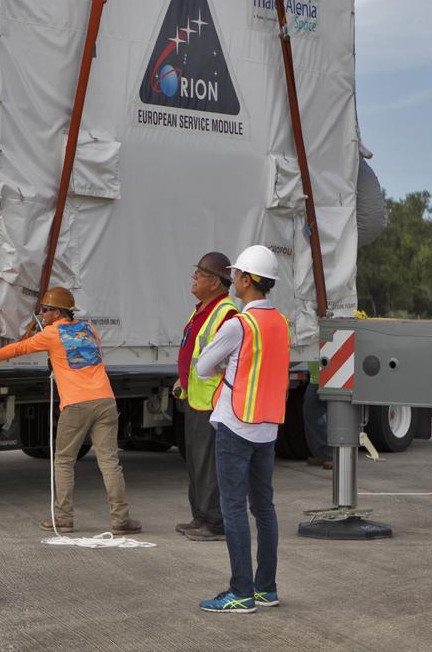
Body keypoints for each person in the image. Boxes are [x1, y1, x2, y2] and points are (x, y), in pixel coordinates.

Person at [0, 286, 141, 536]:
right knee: (110, 463)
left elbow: (19, 349)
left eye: (45, 310)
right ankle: (121, 519)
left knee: (63, 461)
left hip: (76, 404)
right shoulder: (89, 330)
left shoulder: (51, 334)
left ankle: (63, 519)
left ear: (57, 312)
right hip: (105, 399)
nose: (42, 314)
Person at [194, 245, 290, 614]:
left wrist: (223, 368)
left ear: (248, 280)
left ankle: (241, 592)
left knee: (233, 508)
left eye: (236, 275)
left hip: (236, 426)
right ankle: (266, 588)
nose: (232, 280)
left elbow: (204, 367)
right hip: (267, 427)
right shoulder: (280, 323)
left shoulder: (239, 324)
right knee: (264, 508)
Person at [174, 252, 237, 542]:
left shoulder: (225, 313)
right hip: (196, 397)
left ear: (214, 282)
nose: (194, 278)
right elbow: (194, 351)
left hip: (211, 401)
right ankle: (200, 516)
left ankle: (214, 523)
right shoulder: (203, 309)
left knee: (208, 463)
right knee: (195, 461)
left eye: (199, 273)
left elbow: (222, 360)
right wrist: (182, 378)